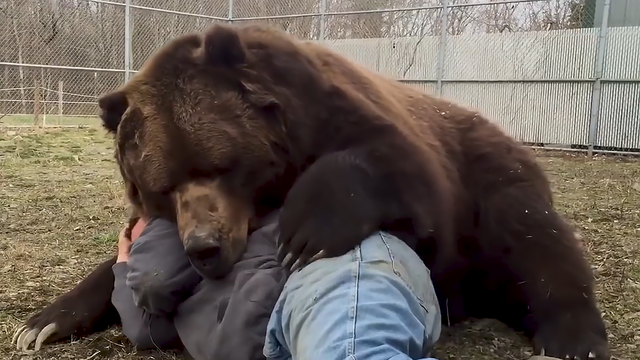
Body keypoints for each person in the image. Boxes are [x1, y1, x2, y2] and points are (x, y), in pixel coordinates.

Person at [112, 209, 442, 360]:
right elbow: (144, 327)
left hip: (342, 269)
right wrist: (121, 262)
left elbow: (152, 280)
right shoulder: (188, 309)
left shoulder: (248, 228)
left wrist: (133, 259)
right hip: (337, 298)